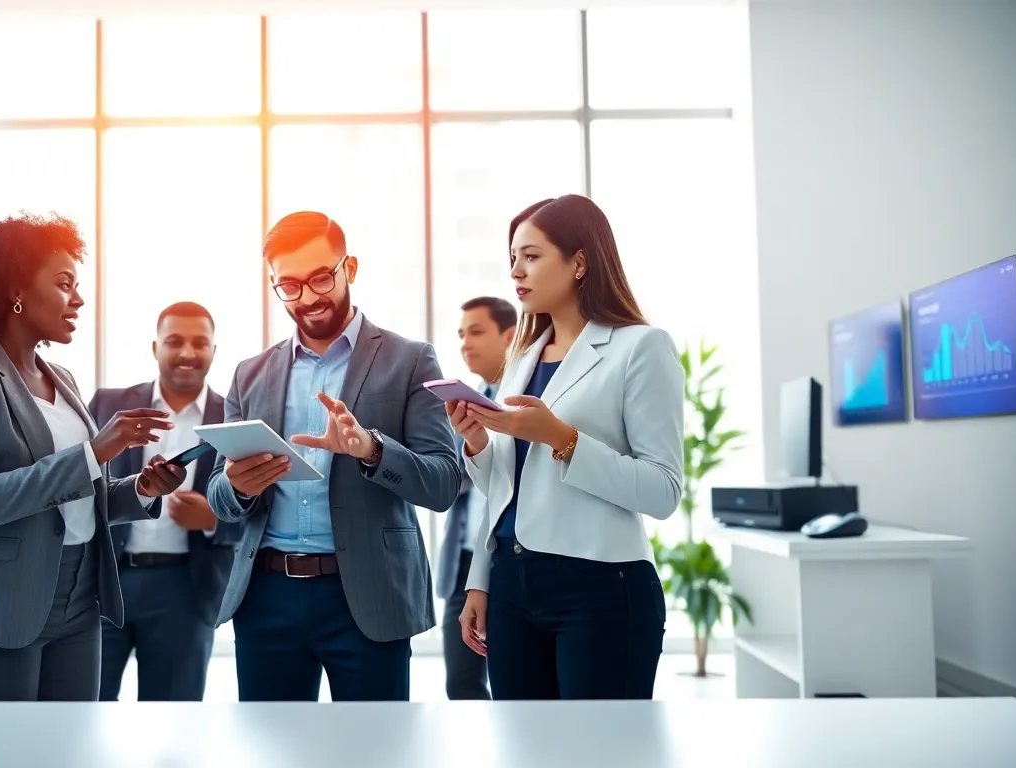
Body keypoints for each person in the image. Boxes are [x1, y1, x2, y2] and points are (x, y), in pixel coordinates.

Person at [0, 213, 187, 702]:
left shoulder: (63, 378)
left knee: (68, 750)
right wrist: (95, 450)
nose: (78, 299)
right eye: (64, 285)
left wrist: (141, 489)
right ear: (16, 289)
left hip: (79, 597)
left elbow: (77, 499)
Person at [206, 211, 460, 702]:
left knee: (374, 750)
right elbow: (220, 498)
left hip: (367, 593)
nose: (309, 297)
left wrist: (370, 448)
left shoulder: (410, 360)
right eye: (290, 286)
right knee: (271, 751)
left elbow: (443, 483)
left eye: (321, 277)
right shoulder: (248, 374)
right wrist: (239, 484)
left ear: (351, 268)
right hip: (268, 596)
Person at [447, 194, 683, 700]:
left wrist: (563, 439)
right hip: (512, 584)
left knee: (600, 752)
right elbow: (506, 490)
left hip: (601, 586)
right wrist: (477, 443)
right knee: (522, 748)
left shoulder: (641, 347)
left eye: (531, 256)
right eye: (512, 258)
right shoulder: (522, 358)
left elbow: (663, 491)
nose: (517, 270)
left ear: (579, 262)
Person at [88, 301, 240, 702]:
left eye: (199, 343)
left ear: (213, 351)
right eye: (174, 341)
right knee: (85, 712)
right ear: (155, 348)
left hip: (187, 590)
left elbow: (264, 508)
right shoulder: (109, 405)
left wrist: (213, 518)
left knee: (174, 724)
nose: (188, 352)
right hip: (106, 584)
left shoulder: (235, 418)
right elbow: (76, 485)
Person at [436, 296, 515, 700]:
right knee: (462, 685)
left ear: (510, 335)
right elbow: (450, 480)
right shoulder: (464, 405)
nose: (466, 343)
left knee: (514, 686)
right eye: (462, 334)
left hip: (510, 558)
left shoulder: (524, 404)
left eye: (477, 332)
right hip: (464, 562)